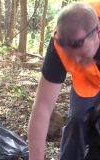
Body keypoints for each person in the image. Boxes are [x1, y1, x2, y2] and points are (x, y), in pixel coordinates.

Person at [28, 2, 100, 160]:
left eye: (81, 55)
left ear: (97, 34)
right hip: (88, 84)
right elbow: (42, 107)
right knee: (77, 120)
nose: (75, 61)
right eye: (70, 56)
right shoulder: (58, 45)